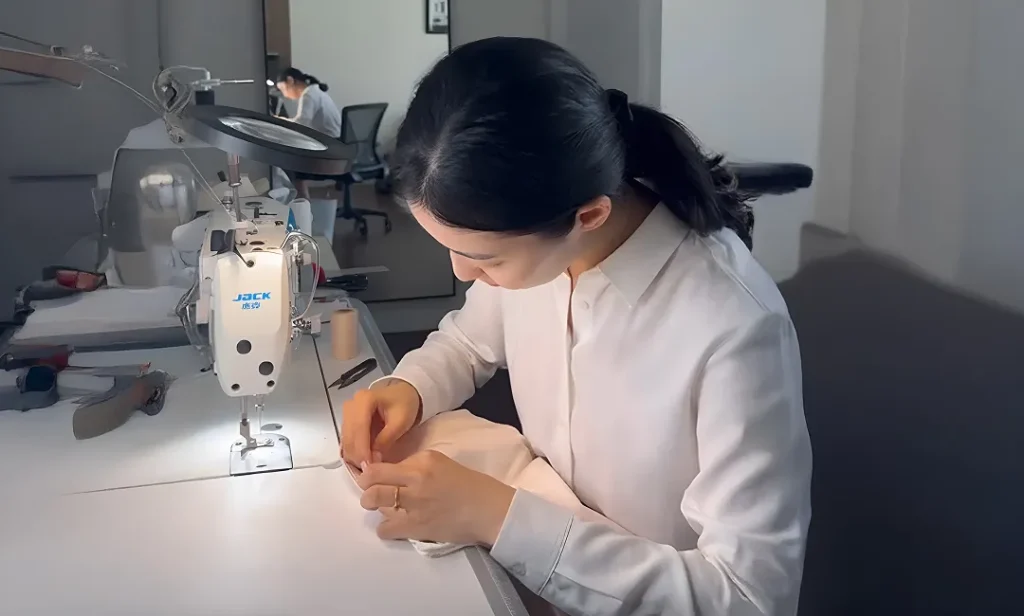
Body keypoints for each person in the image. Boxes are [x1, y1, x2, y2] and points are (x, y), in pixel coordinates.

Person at [341, 37, 812, 616]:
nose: (462, 274)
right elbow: (469, 341)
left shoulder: (732, 327)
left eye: (484, 258)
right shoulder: (541, 251)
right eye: (449, 249)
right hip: (536, 583)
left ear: (588, 215)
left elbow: (749, 598)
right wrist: (409, 387)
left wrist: (495, 516)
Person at [274, 67, 342, 240]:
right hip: (334, 145)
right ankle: (304, 205)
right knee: (292, 162)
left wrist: (278, 122)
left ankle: (303, 209)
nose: (285, 95)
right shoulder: (316, 91)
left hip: (328, 150)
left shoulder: (309, 95)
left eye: (283, 89)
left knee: (292, 168)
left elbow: (301, 124)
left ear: (290, 81)